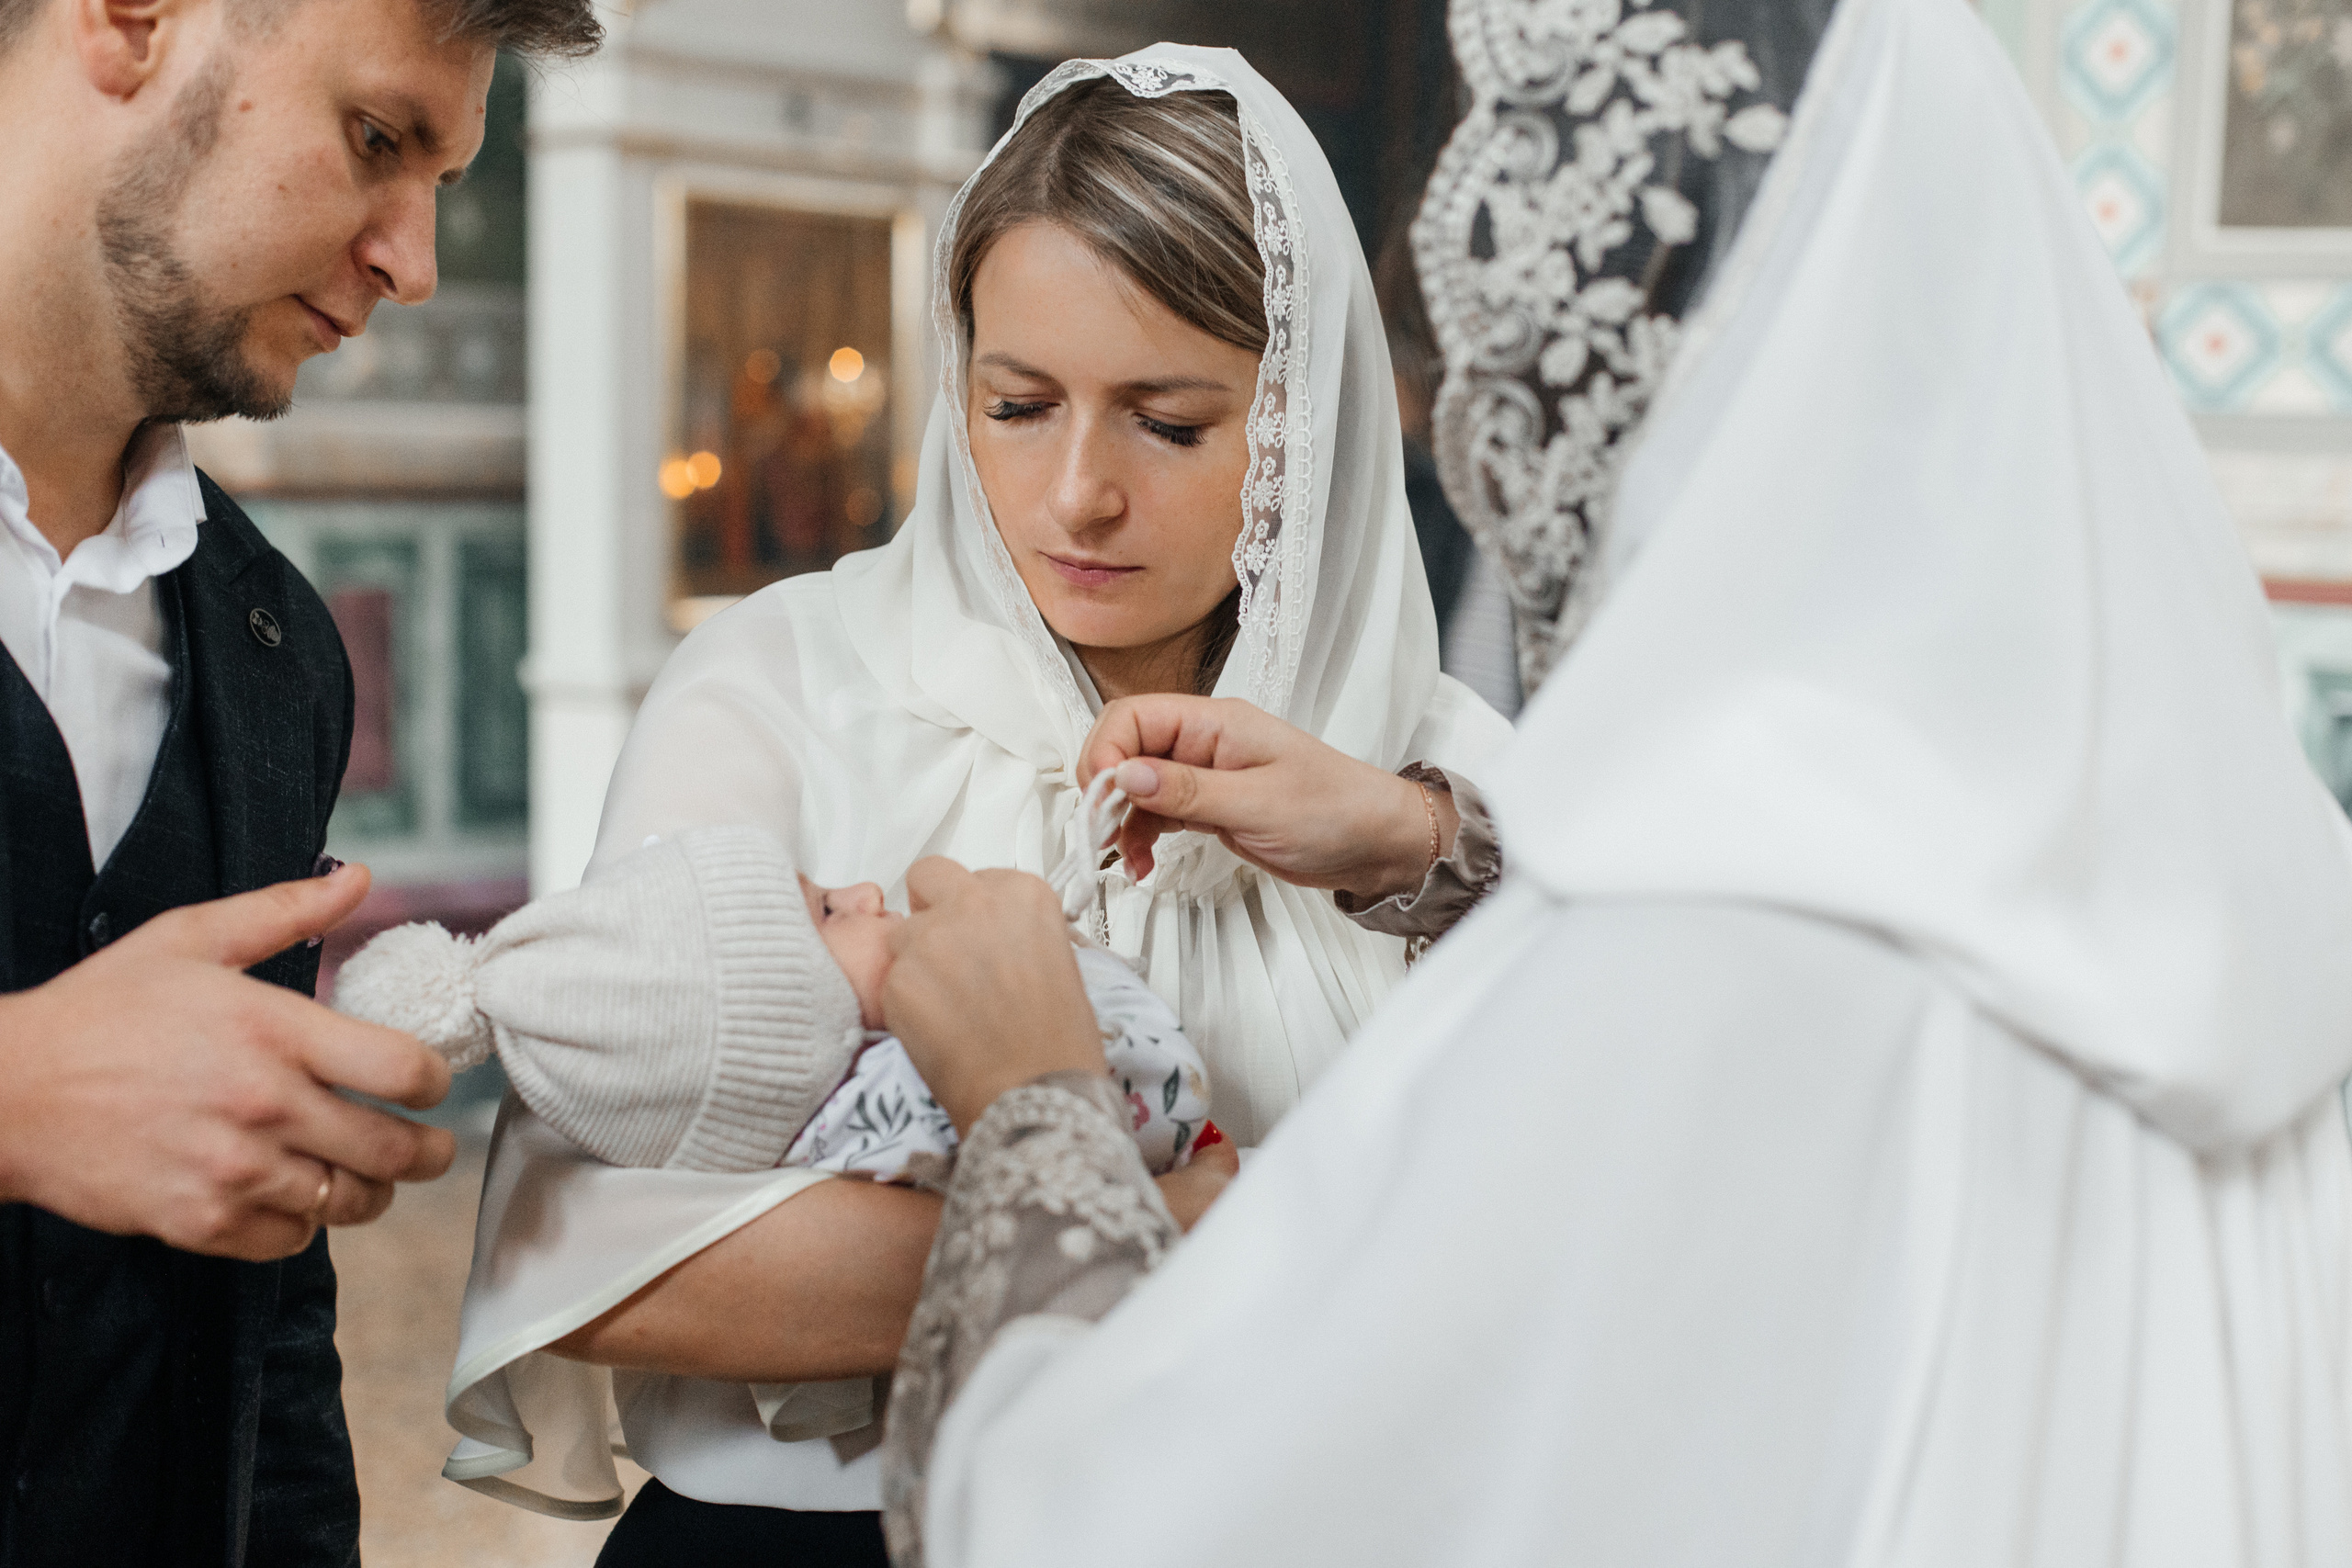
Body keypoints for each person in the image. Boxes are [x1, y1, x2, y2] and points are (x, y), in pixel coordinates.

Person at [870, 0, 2352, 1563]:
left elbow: (1134, 1521)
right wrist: (1425, 837)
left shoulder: (1683, 965)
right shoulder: (2251, 890)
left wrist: (1037, 1106)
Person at [436, 45, 1512, 1565]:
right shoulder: (780, 683)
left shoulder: (1443, 778)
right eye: (1018, 404)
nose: (1078, 493)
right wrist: (1199, 1232)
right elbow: (595, 1258)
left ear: (1307, 423)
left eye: (1169, 422)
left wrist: (1416, 843)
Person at [0, 0, 597, 1560]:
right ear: (131, 23)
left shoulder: (275, 648)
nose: (417, 262)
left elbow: (264, 1343)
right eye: (377, 138)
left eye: (442, 182)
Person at [330, 820, 1214, 1186]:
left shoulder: (855, 1097)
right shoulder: (896, 1112)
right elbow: (1147, 1087)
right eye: (827, 913)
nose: (864, 892)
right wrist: (1040, 951)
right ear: (784, 1041)